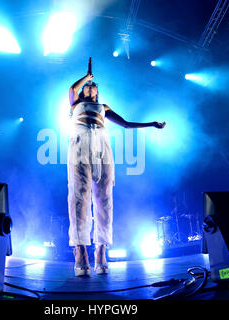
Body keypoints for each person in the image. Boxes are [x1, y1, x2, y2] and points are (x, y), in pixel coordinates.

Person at [68, 69, 166, 276]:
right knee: (80, 197)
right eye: (86, 86)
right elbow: (71, 89)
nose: (89, 87)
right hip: (79, 144)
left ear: (97, 92)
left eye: (92, 85)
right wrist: (87, 76)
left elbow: (126, 124)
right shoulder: (76, 104)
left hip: (102, 146)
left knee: (104, 198)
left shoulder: (103, 107)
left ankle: (101, 250)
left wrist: (152, 124)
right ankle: (80, 250)